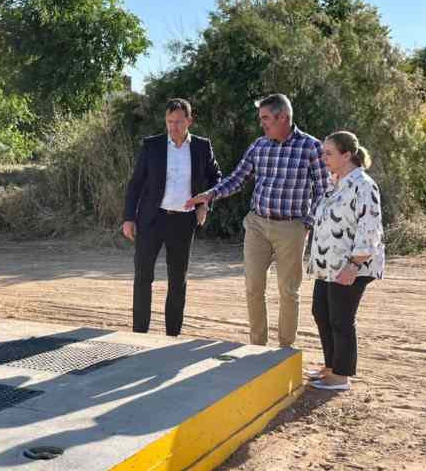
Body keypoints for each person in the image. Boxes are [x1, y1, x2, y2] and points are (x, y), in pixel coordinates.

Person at [184, 94, 329, 348]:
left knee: (288, 292)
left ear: (283, 117)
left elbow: (324, 189)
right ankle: (256, 347)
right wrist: (210, 194)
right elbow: (237, 178)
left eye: (265, 118)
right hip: (257, 225)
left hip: (292, 227)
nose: (262, 123)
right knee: (253, 288)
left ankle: (284, 350)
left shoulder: (311, 148)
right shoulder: (259, 146)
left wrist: (307, 223)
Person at [122, 98, 223, 336]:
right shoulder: (152, 145)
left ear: (189, 120)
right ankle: (139, 333)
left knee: (178, 280)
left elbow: (216, 179)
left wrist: (205, 203)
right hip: (151, 219)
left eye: (178, 121)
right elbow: (135, 183)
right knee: (143, 276)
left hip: (183, 222)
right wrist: (128, 218)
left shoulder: (201, 146)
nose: (173, 127)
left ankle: (172, 335)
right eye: (169, 122)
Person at [305, 130, 385, 390]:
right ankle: (330, 367)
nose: (323, 157)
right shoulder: (335, 182)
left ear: (347, 154)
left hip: (351, 266)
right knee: (321, 312)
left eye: (329, 153)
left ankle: (341, 376)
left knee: (341, 318)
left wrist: (353, 265)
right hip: (327, 265)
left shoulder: (364, 185)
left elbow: (369, 229)